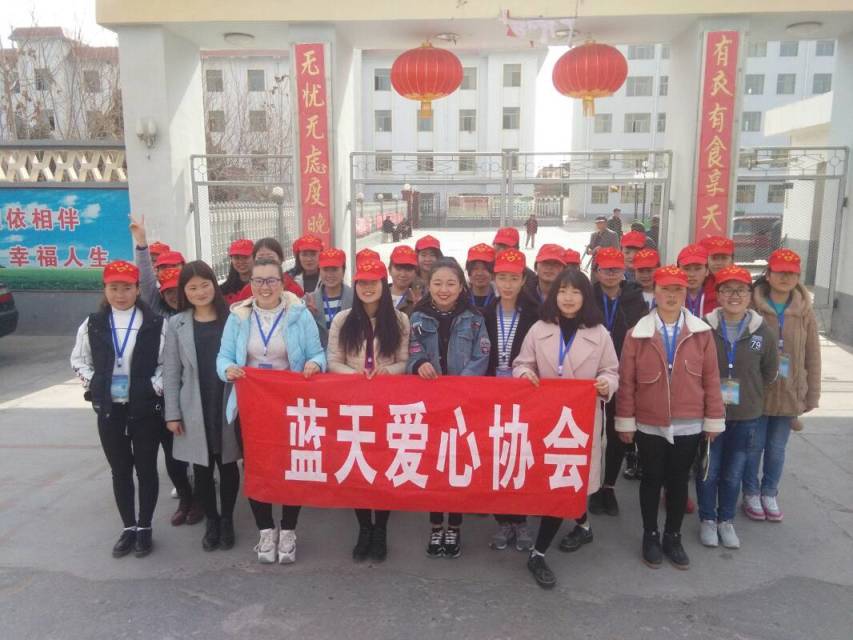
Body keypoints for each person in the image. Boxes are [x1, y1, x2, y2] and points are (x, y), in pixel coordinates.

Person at [513, 269, 619, 589]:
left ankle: (538, 553)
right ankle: (583, 527)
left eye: (575, 292)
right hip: (546, 418)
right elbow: (522, 363)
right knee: (557, 481)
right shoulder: (539, 329)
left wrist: (606, 384)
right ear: (553, 295)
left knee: (564, 482)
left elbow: (611, 371)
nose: (568, 298)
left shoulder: (600, 333)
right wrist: (524, 375)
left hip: (579, 421)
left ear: (585, 296)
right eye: (562, 291)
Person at [216, 257, 326, 564]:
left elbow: (318, 353)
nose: (265, 287)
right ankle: (265, 530)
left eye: (272, 280)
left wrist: (315, 364)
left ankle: (288, 530)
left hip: (290, 405)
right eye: (259, 281)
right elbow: (223, 357)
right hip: (252, 405)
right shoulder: (238, 316)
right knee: (256, 468)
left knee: (292, 467)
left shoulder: (299, 314)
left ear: (282, 282)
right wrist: (228, 370)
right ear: (251, 283)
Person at [615, 265, 725, 570]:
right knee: (651, 479)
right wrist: (625, 419)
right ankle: (650, 534)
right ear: (656, 292)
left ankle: (672, 536)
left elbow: (711, 379)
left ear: (686, 293)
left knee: (678, 481)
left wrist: (713, 418)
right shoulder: (637, 334)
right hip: (649, 421)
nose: (672, 295)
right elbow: (627, 382)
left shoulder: (701, 333)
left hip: (689, 421)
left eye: (678, 289)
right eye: (666, 289)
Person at [70, 260, 166, 558]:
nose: (120, 294)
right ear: (105, 289)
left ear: (138, 289)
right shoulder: (93, 324)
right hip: (110, 410)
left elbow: (166, 364)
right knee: (120, 470)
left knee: (146, 469)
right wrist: (95, 384)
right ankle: (129, 527)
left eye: (126, 288)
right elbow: (78, 360)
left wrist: (152, 387)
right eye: (114, 288)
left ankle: (145, 526)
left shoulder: (154, 323)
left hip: (144, 408)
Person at [327, 259, 411, 562]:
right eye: (362, 282)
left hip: (387, 403)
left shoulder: (400, 320)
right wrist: (355, 375)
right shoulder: (343, 320)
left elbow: (404, 361)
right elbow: (333, 361)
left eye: (373, 282)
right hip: (353, 405)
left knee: (384, 466)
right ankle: (364, 527)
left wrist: (388, 371)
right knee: (358, 466)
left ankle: (381, 529)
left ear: (383, 285)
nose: (367, 288)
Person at [407, 257, 490, 559]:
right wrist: (419, 363)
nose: (444, 289)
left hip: (462, 404)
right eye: (438, 283)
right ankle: (435, 524)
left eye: (451, 283)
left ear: (461, 287)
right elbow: (410, 349)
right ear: (428, 286)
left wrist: (459, 387)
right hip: (429, 403)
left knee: (457, 464)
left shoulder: (475, 318)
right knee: (433, 464)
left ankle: (454, 524)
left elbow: (482, 356)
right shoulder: (417, 317)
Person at [696, 266, 778, 549]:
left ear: (750, 295)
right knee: (709, 470)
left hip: (746, 415)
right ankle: (708, 519)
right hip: (710, 415)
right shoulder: (703, 329)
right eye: (727, 290)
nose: (734, 295)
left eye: (741, 290)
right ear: (718, 295)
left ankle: (726, 520)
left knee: (734, 472)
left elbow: (769, 372)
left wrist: (751, 392)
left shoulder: (763, 332)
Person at [164, 261, 242, 552]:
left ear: (214, 284)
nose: (200, 292)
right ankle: (212, 520)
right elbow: (171, 372)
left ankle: (227, 520)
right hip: (194, 404)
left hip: (227, 400)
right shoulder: (177, 324)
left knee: (228, 464)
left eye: (205, 284)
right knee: (202, 467)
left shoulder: (233, 318)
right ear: (184, 292)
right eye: (192, 287)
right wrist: (172, 413)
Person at [129, 215, 200, 524]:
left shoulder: (197, 312)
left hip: (193, 392)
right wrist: (142, 245)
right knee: (173, 456)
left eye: (177, 290)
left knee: (197, 451)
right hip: (164, 392)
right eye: (168, 290)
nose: (173, 295)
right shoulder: (156, 312)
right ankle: (186, 498)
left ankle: (201, 500)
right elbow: (146, 281)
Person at [743, 249, 820, 522]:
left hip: (789, 393)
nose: (785, 277)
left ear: (798, 277)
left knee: (777, 449)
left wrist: (811, 395)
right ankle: (750, 492)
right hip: (759, 392)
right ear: (768, 274)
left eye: (791, 273)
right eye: (780, 272)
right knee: (754, 447)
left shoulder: (804, 311)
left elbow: (813, 355)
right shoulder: (752, 307)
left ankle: (769, 492)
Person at [482, 249, 540, 553]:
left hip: (524, 394)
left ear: (523, 280)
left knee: (520, 456)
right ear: (494, 279)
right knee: (495, 458)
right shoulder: (483, 314)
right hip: (491, 394)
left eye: (513, 278)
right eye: (502, 277)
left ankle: (521, 520)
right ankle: (502, 520)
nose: (507, 284)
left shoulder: (536, 314)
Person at [587, 248, 647, 517]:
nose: (610, 274)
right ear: (597, 271)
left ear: (624, 271)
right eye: (605, 269)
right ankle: (591, 486)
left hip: (625, 375)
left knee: (616, 434)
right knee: (592, 434)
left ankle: (608, 487)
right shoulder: (588, 297)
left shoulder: (635, 299)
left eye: (615, 269)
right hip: (593, 376)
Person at [231, 238, 305, 302]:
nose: (265, 262)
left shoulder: (293, 288)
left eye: (270, 258)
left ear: (281, 259)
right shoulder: (247, 291)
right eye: (260, 258)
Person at [306, 248, 353, 346]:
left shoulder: (355, 298)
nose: (330, 274)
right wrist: (307, 315)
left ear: (343, 270)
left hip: (348, 351)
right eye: (325, 269)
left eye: (334, 269)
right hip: (319, 353)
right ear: (319, 271)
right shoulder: (309, 300)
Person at [678, 244, 718, 317]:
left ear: (707, 271)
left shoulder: (718, 296)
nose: (692, 274)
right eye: (686, 269)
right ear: (678, 270)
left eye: (697, 269)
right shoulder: (670, 296)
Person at [220, 239, 255, 304]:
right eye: (236, 258)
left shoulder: (263, 286)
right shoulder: (223, 290)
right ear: (231, 260)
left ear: (254, 257)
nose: (241, 262)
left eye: (245, 257)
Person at [388, 245, 420, 316]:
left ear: (415, 272)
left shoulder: (419, 300)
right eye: (398, 268)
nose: (403, 274)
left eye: (408, 269)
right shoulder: (377, 296)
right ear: (389, 270)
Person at [466, 243, 496, 309]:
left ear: (493, 271)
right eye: (475, 268)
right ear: (469, 271)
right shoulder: (460, 298)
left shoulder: (500, 299)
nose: (479, 273)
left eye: (485, 268)